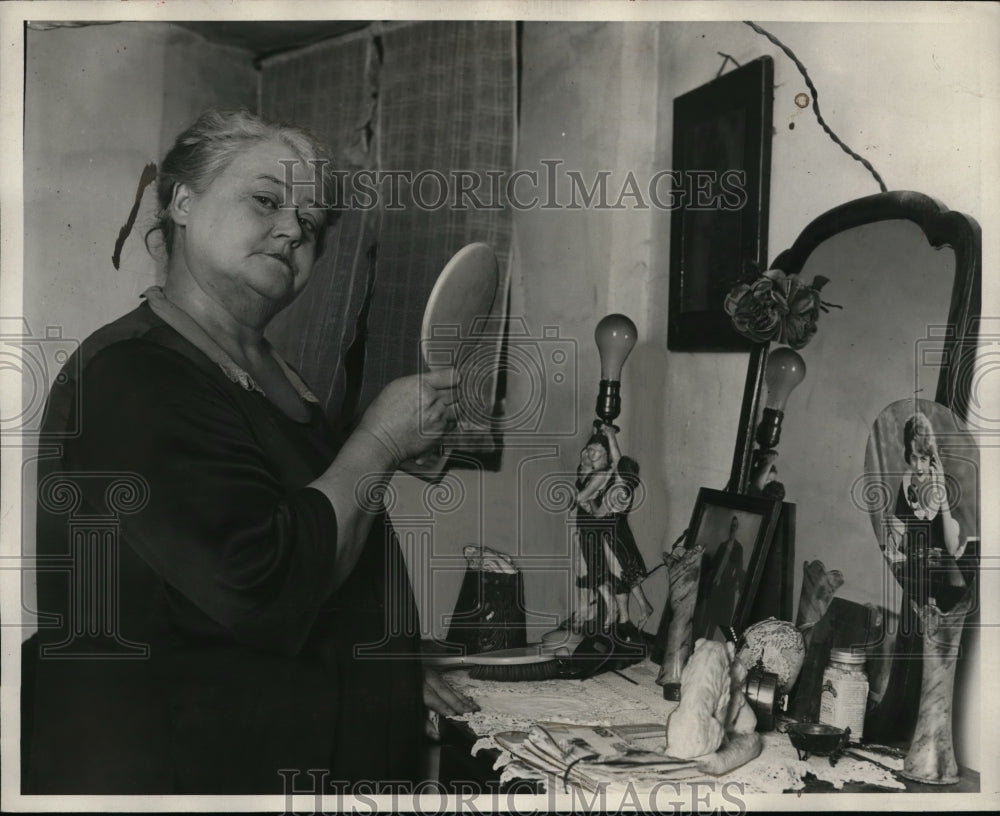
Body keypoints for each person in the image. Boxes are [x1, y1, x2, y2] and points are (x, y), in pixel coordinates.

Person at [23, 109, 476, 795]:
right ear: (181, 201)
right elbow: (261, 583)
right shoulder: (130, 376)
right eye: (267, 201)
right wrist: (379, 440)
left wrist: (394, 664)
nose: (296, 229)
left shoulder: (280, 379)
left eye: (313, 222)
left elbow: (329, 561)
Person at [866, 411, 967, 742]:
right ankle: (895, 732)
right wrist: (896, 554)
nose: (918, 464)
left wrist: (944, 505)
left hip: (941, 581)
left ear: (932, 454)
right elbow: (895, 534)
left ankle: (921, 738)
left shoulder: (943, 485)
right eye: (913, 456)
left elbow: (953, 547)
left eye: (924, 457)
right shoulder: (906, 481)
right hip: (913, 577)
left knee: (931, 657)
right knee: (907, 651)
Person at [569, 423, 651, 638]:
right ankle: (628, 614)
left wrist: (588, 505)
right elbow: (617, 460)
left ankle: (633, 612)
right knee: (621, 576)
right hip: (610, 532)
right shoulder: (622, 483)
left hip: (614, 536)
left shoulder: (617, 491)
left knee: (621, 575)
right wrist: (610, 435)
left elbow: (599, 514)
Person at [691, 516, 746, 642]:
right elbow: (714, 565)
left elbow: (739, 568)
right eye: (731, 525)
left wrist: (736, 584)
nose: (733, 528)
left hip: (725, 589)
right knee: (706, 618)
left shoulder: (738, 548)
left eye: (735, 525)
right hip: (714, 587)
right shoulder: (722, 545)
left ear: (737, 528)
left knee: (715, 621)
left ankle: (707, 646)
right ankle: (698, 645)